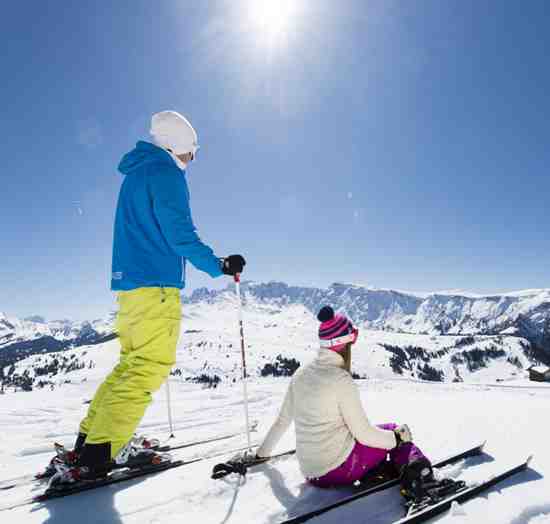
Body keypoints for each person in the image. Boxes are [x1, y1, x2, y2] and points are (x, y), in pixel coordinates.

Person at [51, 111, 246, 484]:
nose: (192, 160)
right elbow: (180, 235)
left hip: (131, 288)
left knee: (129, 366)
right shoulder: (166, 174)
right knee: (147, 368)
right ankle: (98, 453)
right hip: (155, 287)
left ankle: (90, 441)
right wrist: (218, 264)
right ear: (177, 146)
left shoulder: (136, 173)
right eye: (192, 152)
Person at [255, 305, 434, 499]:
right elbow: (364, 435)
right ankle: (420, 477)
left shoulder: (301, 373)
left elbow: (282, 421)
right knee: (394, 431)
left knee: (382, 435)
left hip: (310, 472)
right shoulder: (341, 380)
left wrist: (261, 454)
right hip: (336, 470)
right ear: (344, 343)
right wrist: (398, 439)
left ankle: (376, 470)